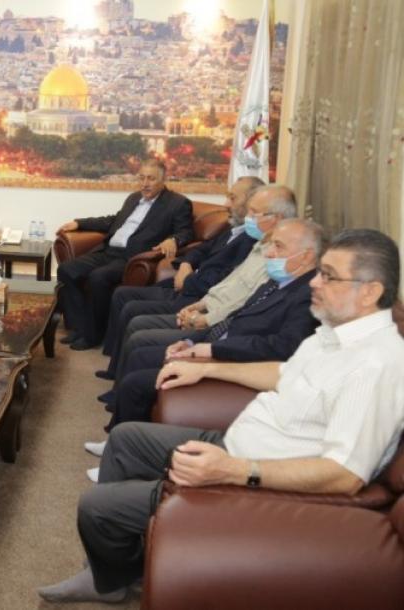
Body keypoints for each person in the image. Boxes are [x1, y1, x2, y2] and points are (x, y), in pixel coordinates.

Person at [38, 228, 404, 603]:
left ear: (370, 292)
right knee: (125, 439)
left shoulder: (375, 366)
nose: (314, 282)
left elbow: (345, 474)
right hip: (238, 445)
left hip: (256, 475)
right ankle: (113, 569)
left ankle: (112, 575)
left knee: (96, 508)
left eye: (328, 276)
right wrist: (208, 369)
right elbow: (284, 373)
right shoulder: (336, 334)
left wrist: (235, 471)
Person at [83, 218, 324, 472]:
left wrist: (211, 350)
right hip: (215, 344)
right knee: (142, 355)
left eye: (279, 246)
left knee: (136, 382)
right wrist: (189, 341)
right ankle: (115, 445)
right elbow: (235, 319)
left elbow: (281, 347)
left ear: (307, 256)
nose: (270, 252)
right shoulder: (278, 282)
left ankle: (120, 458)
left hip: (235, 362)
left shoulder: (307, 295)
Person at [101, 185, 297, 380]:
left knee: (138, 331)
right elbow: (211, 259)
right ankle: (116, 373)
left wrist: (202, 312)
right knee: (126, 299)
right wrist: (187, 269)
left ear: (276, 218)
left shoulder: (273, 257)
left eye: (253, 211)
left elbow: (242, 300)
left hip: (208, 311)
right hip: (202, 300)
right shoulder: (254, 239)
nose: (247, 215)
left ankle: (122, 381)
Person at [56, 160, 193, 350]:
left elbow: (186, 231)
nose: (144, 183)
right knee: (66, 270)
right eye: (141, 178)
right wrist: (79, 223)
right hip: (107, 252)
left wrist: (174, 239)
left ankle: (92, 335)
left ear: (163, 180)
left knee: (98, 277)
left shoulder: (177, 203)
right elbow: (113, 221)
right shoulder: (134, 198)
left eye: (151, 179)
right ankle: (79, 328)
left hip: (131, 258)